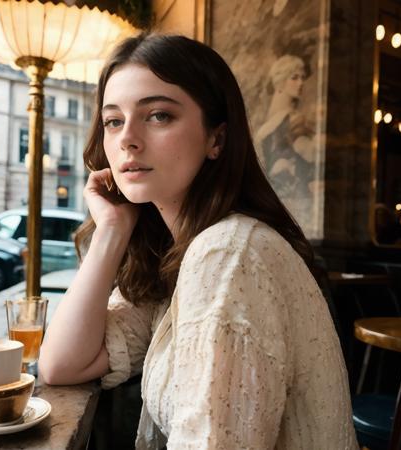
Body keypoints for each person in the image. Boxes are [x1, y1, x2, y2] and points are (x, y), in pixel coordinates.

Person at [39, 33, 357, 449]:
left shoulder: (226, 254)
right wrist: (112, 229)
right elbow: (61, 364)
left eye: (157, 116)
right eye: (113, 120)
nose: (126, 139)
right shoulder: (181, 256)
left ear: (216, 140)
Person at [255, 54, 315, 200]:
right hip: (280, 196)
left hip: (292, 196)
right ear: (280, 82)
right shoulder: (289, 119)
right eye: (294, 78)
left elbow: (309, 154)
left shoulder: (292, 119)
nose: (300, 83)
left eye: (302, 78)